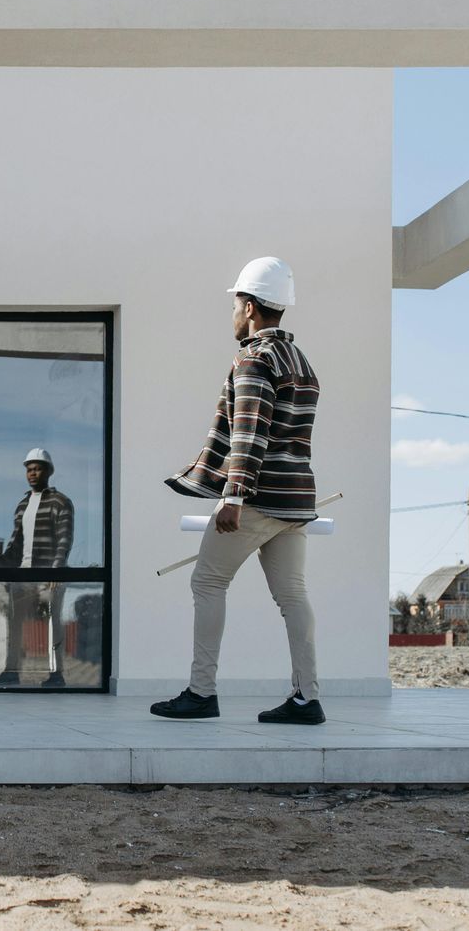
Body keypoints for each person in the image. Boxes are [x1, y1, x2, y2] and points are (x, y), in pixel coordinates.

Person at [153, 257, 327, 725]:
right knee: (293, 596)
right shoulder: (300, 360)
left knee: (207, 582)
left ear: (249, 307)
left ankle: (201, 692)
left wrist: (233, 496)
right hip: (295, 500)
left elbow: (250, 431)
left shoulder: (254, 358)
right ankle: (307, 698)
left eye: (235, 304)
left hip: (256, 496)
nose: (233, 314)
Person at [0, 448, 75, 688]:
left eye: (37, 468)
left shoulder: (61, 502)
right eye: (29, 469)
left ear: (48, 471)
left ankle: (56, 675)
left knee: (52, 624)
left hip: (49, 576)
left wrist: (55, 571)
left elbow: (64, 539)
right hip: (22, 575)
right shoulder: (22, 504)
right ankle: (11, 671)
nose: (32, 473)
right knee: (14, 624)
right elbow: (15, 545)